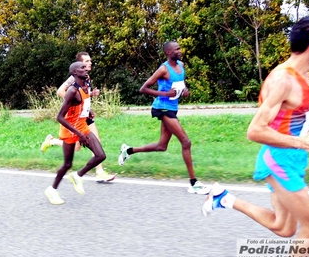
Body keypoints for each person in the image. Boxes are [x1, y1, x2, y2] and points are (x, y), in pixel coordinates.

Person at [202, 17, 309, 251]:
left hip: (293, 159)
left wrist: (305, 136)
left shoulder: (304, 76)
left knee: (284, 227)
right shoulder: (284, 79)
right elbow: (254, 130)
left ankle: (224, 198)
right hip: (279, 160)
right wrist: (302, 142)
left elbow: (293, 121)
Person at [118, 41, 210, 194]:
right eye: (177, 49)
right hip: (162, 108)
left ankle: (128, 150)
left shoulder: (181, 65)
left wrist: (184, 90)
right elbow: (144, 89)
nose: (180, 51)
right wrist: (165, 94)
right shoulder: (163, 69)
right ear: (168, 52)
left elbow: (180, 84)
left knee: (162, 146)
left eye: (180, 48)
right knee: (186, 142)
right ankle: (194, 183)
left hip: (172, 108)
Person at [41, 52, 115, 182]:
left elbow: (83, 95)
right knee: (77, 147)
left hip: (84, 116)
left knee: (92, 142)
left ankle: (99, 171)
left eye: (90, 61)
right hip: (76, 117)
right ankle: (52, 141)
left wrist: (91, 96)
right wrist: (76, 105)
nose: (89, 63)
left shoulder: (86, 77)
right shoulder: (73, 78)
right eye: (86, 61)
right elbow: (60, 91)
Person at [44, 61, 107, 205]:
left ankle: (78, 175)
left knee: (100, 155)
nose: (86, 70)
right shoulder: (72, 90)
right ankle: (52, 190)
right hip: (69, 129)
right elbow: (59, 117)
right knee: (67, 164)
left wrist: (87, 112)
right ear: (74, 73)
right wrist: (78, 134)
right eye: (82, 68)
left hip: (82, 126)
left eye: (86, 67)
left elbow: (84, 102)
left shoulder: (87, 84)